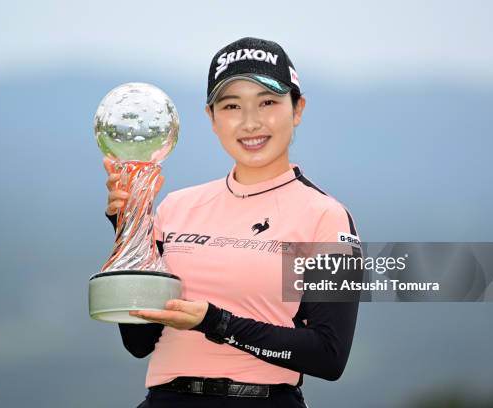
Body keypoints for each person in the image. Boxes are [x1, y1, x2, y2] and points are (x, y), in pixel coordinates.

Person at [104, 37, 362, 408]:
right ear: (211, 118)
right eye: (231, 106)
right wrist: (128, 227)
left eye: (268, 102)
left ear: (298, 108)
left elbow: (328, 355)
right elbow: (138, 342)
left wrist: (216, 322)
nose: (250, 122)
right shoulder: (176, 207)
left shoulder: (325, 216)